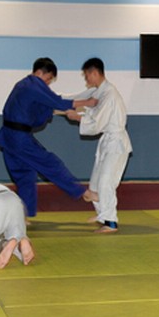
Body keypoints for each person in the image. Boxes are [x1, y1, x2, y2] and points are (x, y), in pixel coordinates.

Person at [0, 58, 94, 218]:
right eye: (48, 79)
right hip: (19, 138)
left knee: (25, 174)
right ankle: (82, 192)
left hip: (8, 136)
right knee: (50, 163)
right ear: (40, 72)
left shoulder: (23, 85)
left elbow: (41, 108)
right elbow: (56, 102)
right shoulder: (34, 85)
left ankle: (24, 214)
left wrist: (61, 110)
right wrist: (89, 102)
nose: (47, 83)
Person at [66, 58, 132, 233]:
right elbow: (77, 99)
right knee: (95, 184)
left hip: (116, 143)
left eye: (87, 75)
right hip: (107, 141)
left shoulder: (109, 94)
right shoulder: (98, 92)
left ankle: (111, 222)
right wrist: (53, 100)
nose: (86, 79)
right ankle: (102, 214)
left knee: (105, 182)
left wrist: (77, 117)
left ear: (94, 73)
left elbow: (97, 122)